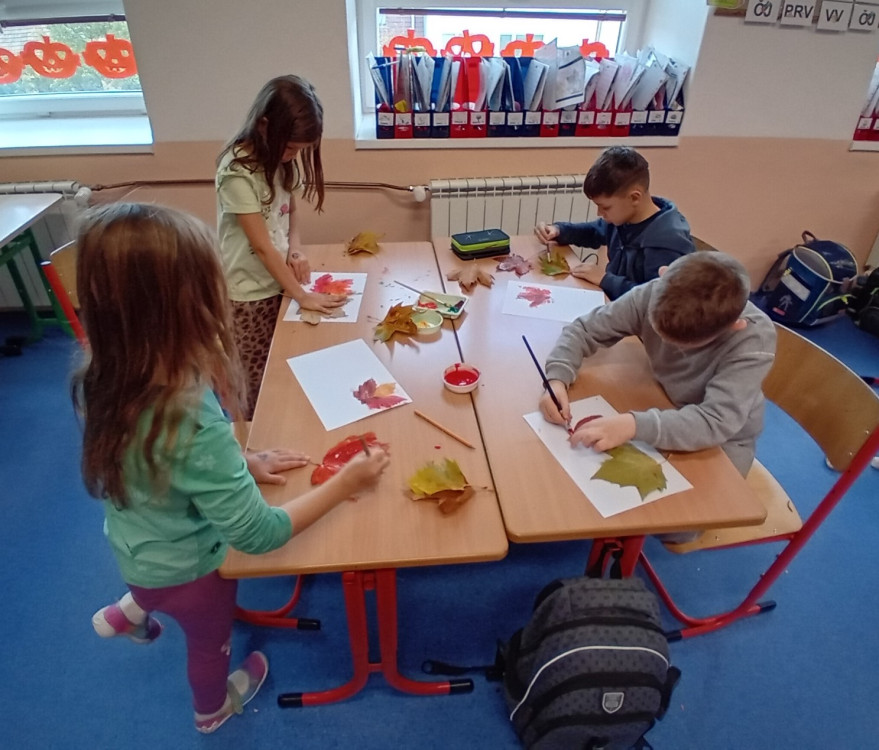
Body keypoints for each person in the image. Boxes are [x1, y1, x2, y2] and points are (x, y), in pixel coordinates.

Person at [74, 203, 389, 734]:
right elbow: (259, 535)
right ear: (188, 305)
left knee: (152, 583)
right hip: (190, 570)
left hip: (135, 543)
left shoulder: (105, 372)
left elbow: (164, 463)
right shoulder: (191, 415)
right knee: (208, 643)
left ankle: (130, 611)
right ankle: (211, 710)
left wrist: (244, 460)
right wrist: (345, 483)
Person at [539, 251, 776, 478]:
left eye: (684, 345)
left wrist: (634, 425)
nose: (669, 348)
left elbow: (716, 421)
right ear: (662, 274)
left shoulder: (754, 341)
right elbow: (584, 330)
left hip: (725, 439)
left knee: (702, 503)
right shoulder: (652, 293)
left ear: (735, 326)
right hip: (663, 403)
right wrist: (557, 378)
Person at [216, 74, 347, 418]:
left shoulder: (280, 162)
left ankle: (278, 423)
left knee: (285, 364)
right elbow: (261, 246)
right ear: (264, 125)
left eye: (299, 150)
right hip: (247, 294)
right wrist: (302, 295)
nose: (293, 156)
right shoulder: (236, 172)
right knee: (255, 378)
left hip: (278, 283)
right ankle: (250, 436)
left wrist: (295, 249)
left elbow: (290, 211)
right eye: (290, 148)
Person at [534, 145, 695, 301]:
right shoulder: (625, 218)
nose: (599, 213)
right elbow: (594, 232)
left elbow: (653, 300)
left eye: (605, 207)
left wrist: (605, 279)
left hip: (636, 315)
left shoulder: (667, 244)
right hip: (614, 304)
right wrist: (559, 230)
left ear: (634, 197)